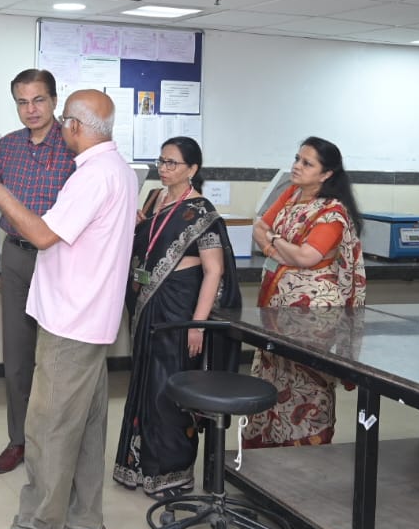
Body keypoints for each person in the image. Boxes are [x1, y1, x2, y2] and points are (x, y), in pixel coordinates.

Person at [0, 90, 137, 529]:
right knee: (87, 424)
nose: (59, 127)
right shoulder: (119, 169)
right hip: (94, 318)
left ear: (74, 126)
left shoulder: (92, 176)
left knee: (49, 426)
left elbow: (41, 234)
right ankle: (84, 515)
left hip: (71, 320)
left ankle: (37, 527)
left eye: (62, 119)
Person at [113, 136, 241, 497]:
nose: (164, 168)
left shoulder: (202, 213)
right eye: (161, 161)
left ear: (192, 169)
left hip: (178, 308)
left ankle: (172, 472)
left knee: (168, 386)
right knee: (143, 381)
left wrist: (197, 325)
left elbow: (214, 271)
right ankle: (138, 466)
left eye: (172, 163)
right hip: (146, 303)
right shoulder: (154, 198)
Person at [0, 69, 73, 475]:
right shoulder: (9, 145)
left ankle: (54, 443)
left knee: (59, 356)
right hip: (15, 257)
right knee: (17, 355)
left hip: (60, 258)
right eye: (22, 102)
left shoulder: (73, 146)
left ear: (54, 100)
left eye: (38, 100)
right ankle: (19, 441)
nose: (31, 109)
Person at [241, 137, 365, 449]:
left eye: (307, 163)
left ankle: (305, 452)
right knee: (272, 374)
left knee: (306, 382)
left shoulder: (333, 212)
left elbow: (307, 257)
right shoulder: (291, 194)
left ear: (326, 174)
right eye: (297, 158)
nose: (297, 166)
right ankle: (266, 451)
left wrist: (273, 240)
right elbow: (258, 228)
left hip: (313, 315)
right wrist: (279, 247)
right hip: (277, 306)